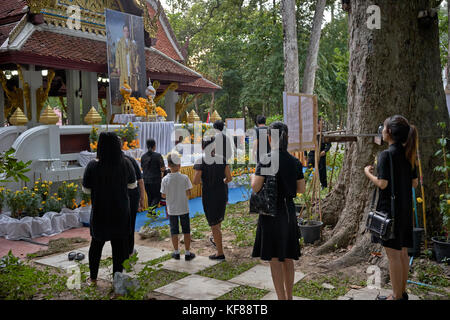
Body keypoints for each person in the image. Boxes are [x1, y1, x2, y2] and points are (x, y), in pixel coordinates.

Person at [364, 115, 418, 300]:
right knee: (402, 252)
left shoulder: (386, 155)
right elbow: (415, 183)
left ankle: (395, 296)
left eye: (384, 127)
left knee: (394, 256)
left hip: (390, 211)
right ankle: (402, 293)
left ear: (389, 132)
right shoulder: (409, 153)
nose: (382, 130)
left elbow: (383, 183)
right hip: (404, 208)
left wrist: (367, 173)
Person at [251, 121, 306, 300]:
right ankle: (289, 297)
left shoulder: (266, 159)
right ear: (287, 138)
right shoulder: (294, 161)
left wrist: (255, 175)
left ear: (269, 138)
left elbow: (256, 187)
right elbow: (301, 189)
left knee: (274, 259)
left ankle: (281, 298)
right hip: (288, 211)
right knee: (288, 257)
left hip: (270, 214)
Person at [82, 132, 137, 285]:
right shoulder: (126, 163)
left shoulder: (93, 165)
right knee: (119, 249)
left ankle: (93, 279)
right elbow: (132, 185)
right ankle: (117, 285)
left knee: (96, 246)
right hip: (120, 212)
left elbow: (86, 190)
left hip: (101, 212)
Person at [193, 136, 233, 260]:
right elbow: (229, 178)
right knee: (217, 221)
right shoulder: (222, 159)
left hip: (209, 194)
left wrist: (204, 182)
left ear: (202, 147)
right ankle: (217, 242)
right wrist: (223, 181)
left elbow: (195, 181)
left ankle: (220, 252)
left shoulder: (201, 161)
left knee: (214, 224)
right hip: (222, 192)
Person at [161, 152, 196, 261]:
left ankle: (176, 252)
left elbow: (163, 195)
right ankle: (187, 252)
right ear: (179, 165)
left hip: (171, 209)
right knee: (186, 230)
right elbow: (189, 192)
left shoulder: (165, 179)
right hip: (184, 208)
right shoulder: (185, 177)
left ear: (168, 166)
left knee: (174, 230)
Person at [120, 139, 146, 257]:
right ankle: (129, 250)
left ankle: (121, 251)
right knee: (130, 224)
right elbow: (140, 181)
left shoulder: (103, 162)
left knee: (120, 224)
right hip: (131, 195)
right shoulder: (129, 160)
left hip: (117, 197)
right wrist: (142, 198)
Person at [306, 119, 331, 189]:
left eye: (322, 124)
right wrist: (305, 154)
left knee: (322, 170)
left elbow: (329, 145)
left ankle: (324, 185)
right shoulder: (311, 133)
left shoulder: (324, 134)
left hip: (321, 154)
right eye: (320, 124)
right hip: (312, 153)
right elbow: (305, 144)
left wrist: (325, 151)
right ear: (316, 124)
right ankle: (303, 184)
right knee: (309, 169)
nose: (321, 125)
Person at [115, 24, 140, 92]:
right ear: (123, 32)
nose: (126, 32)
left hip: (131, 65)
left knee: (131, 80)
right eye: (125, 31)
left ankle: (131, 97)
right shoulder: (120, 42)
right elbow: (117, 55)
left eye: (127, 31)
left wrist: (136, 66)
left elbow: (136, 55)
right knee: (124, 82)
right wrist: (118, 67)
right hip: (123, 65)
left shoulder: (132, 43)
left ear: (129, 32)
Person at [141, 138, 166, 207]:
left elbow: (142, 168)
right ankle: (151, 211)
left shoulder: (143, 156)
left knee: (150, 197)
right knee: (157, 196)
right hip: (155, 180)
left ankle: (151, 213)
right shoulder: (158, 155)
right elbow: (163, 168)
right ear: (154, 146)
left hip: (146, 180)